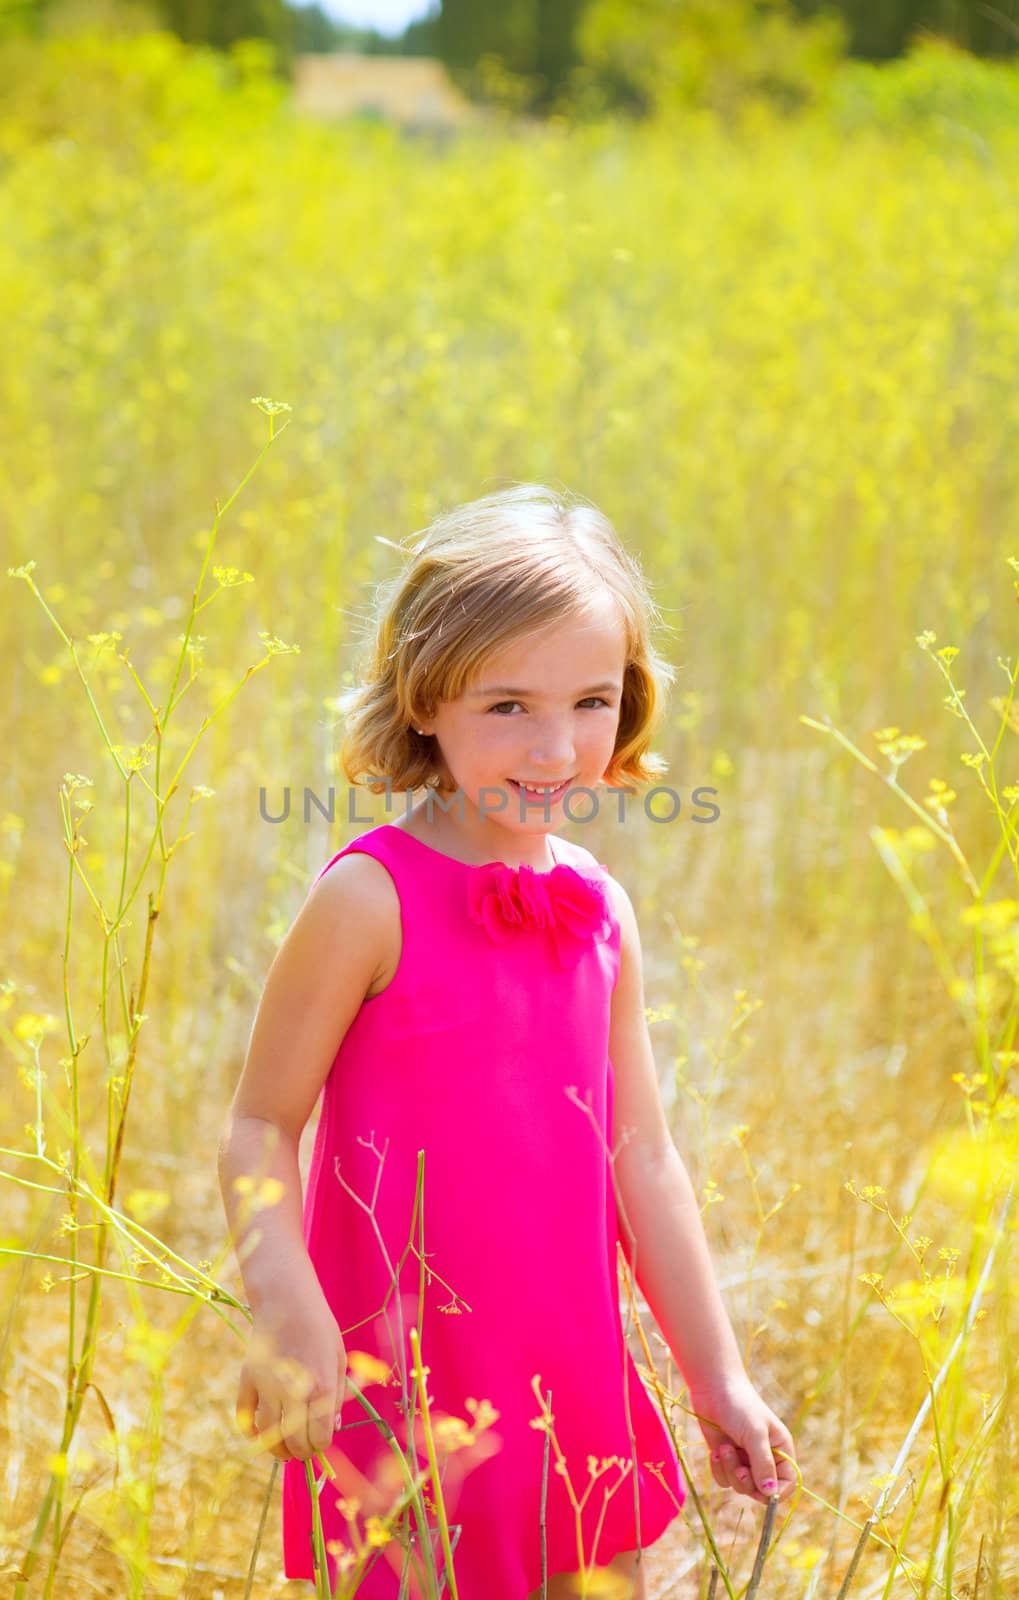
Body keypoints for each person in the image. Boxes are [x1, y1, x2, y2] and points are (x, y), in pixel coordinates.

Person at [217, 484, 799, 1600]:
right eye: (506, 707)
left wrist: (713, 1375)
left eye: (589, 701)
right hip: (407, 1385)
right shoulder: (369, 898)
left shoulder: (599, 907)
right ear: (425, 701)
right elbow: (257, 1125)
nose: (554, 746)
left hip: (568, 1380)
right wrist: (286, 1305)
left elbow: (644, 1161)